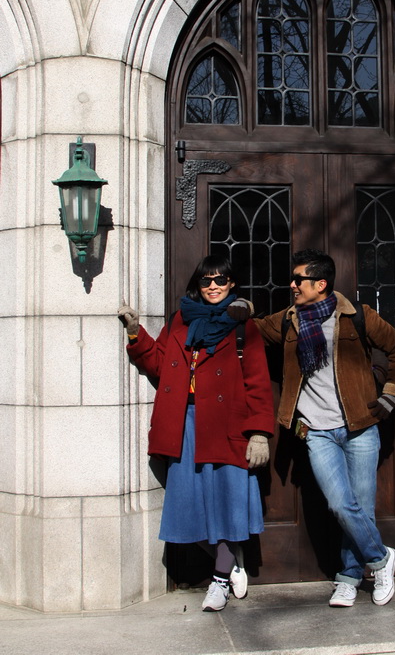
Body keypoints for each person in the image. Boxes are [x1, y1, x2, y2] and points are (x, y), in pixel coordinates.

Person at [253, 249, 395, 608]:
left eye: (299, 279)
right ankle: (382, 559)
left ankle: (349, 577)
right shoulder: (288, 320)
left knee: (362, 509)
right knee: (341, 505)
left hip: (360, 427)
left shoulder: (357, 316)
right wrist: (241, 308)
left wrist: (391, 395)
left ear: (321, 284)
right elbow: (254, 330)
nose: (292, 285)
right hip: (317, 431)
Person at [118, 255, 275, 612]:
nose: (213, 286)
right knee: (187, 507)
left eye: (220, 280)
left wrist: (259, 433)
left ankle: (219, 580)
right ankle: (230, 559)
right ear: (198, 285)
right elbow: (159, 363)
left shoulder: (242, 326)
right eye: (207, 281)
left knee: (227, 503)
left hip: (226, 425)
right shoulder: (180, 319)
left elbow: (258, 383)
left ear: (231, 284)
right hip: (183, 423)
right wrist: (135, 333)